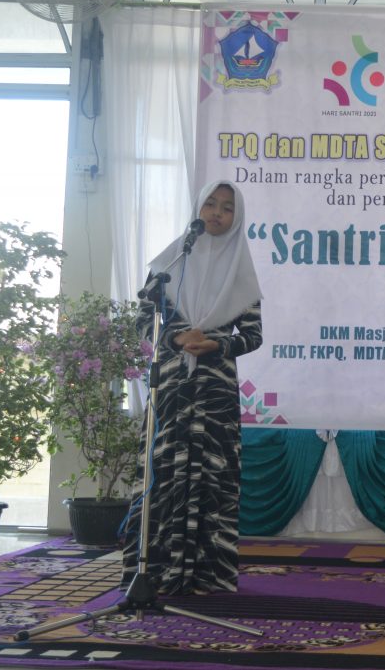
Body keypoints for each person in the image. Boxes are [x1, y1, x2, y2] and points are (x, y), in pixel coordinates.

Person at [122, 180, 263, 595]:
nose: (216, 213)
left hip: (215, 393)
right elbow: (143, 321)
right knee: (163, 470)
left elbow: (253, 335)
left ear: (237, 217)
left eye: (227, 208)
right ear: (197, 208)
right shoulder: (170, 262)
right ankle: (153, 571)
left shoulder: (241, 270)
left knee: (211, 477)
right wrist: (176, 338)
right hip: (171, 387)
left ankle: (206, 575)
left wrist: (218, 344)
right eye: (210, 204)